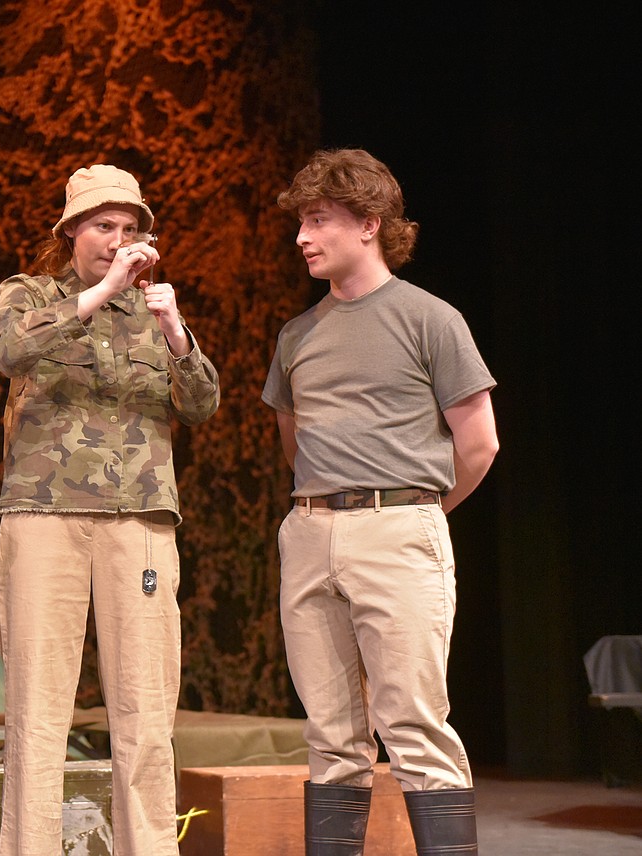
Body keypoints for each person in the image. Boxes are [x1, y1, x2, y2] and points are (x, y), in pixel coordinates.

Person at [262, 148, 499, 855]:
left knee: (414, 724)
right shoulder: (297, 335)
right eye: (301, 222)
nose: (303, 237)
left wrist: (415, 513)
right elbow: (293, 444)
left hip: (398, 528)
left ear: (369, 224)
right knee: (331, 734)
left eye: (319, 220)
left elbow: (479, 444)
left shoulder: (430, 318)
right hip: (310, 532)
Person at [0, 163, 220, 856]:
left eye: (129, 229)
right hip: (43, 516)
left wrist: (176, 327)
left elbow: (201, 404)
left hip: (141, 521)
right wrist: (101, 292)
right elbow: (8, 349)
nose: (117, 240)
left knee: (147, 712)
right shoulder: (32, 292)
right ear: (71, 233)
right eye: (102, 227)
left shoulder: (154, 312)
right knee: (38, 710)